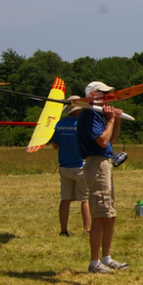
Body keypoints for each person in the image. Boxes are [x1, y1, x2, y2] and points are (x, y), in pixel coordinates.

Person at [76, 82, 128, 274]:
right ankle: (94, 262)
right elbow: (102, 140)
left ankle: (106, 258)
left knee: (109, 214)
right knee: (100, 214)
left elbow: (112, 140)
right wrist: (110, 120)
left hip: (104, 163)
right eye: (104, 94)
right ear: (93, 95)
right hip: (96, 165)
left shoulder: (96, 115)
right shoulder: (89, 114)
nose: (108, 97)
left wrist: (116, 119)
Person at [50, 96, 91, 237]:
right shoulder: (82, 123)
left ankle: (63, 230)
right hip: (80, 166)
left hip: (64, 166)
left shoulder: (60, 123)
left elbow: (55, 146)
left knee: (65, 200)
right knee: (85, 199)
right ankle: (87, 230)